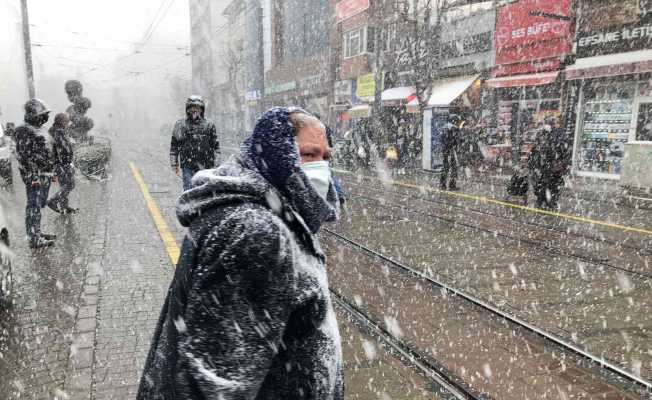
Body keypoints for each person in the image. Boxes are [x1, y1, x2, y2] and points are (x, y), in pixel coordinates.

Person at [138, 107, 343, 399]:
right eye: (308, 155)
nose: (321, 168)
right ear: (276, 155)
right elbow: (218, 388)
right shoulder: (257, 233)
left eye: (326, 157)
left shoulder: (256, 214)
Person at [14, 99, 56, 248]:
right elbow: (24, 156)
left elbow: (48, 150)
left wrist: (52, 171)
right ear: (33, 114)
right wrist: (33, 175)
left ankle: (37, 232)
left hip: (44, 174)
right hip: (35, 175)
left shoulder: (40, 129)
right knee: (33, 206)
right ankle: (33, 237)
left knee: (38, 205)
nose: (45, 117)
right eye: (42, 114)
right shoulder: (24, 130)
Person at [170, 95, 220, 191]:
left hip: (206, 166)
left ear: (202, 109)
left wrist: (216, 165)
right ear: (187, 109)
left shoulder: (209, 125)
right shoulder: (180, 125)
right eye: (192, 107)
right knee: (189, 190)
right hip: (187, 166)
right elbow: (174, 146)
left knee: (205, 192)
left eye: (197, 108)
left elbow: (216, 147)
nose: (195, 110)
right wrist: (174, 163)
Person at [528, 116, 571, 210]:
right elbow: (563, 150)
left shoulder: (551, 135)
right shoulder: (556, 134)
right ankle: (548, 202)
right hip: (552, 166)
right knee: (550, 184)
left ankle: (545, 201)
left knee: (546, 184)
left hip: (550, 166)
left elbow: (540, 149)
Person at [47, 113, 77, 214]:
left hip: (59, 163)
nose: (68, 123)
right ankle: (53, 201)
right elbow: (63, 149)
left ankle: (64, 206)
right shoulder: (59, 132)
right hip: (62, 163)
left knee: (64, 185)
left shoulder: (56, 131)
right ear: (62, 122)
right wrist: (66, 162)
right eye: (67, 121)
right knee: (70, 184)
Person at [440, 113, 462, 191]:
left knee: (445, 167)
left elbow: (442, 139)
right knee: (454, 168)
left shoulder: (444, 127)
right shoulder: (453, 128)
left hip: (445, 150)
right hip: (451, 150)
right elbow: (456, 140)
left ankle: (442, 184)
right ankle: (452, 185)